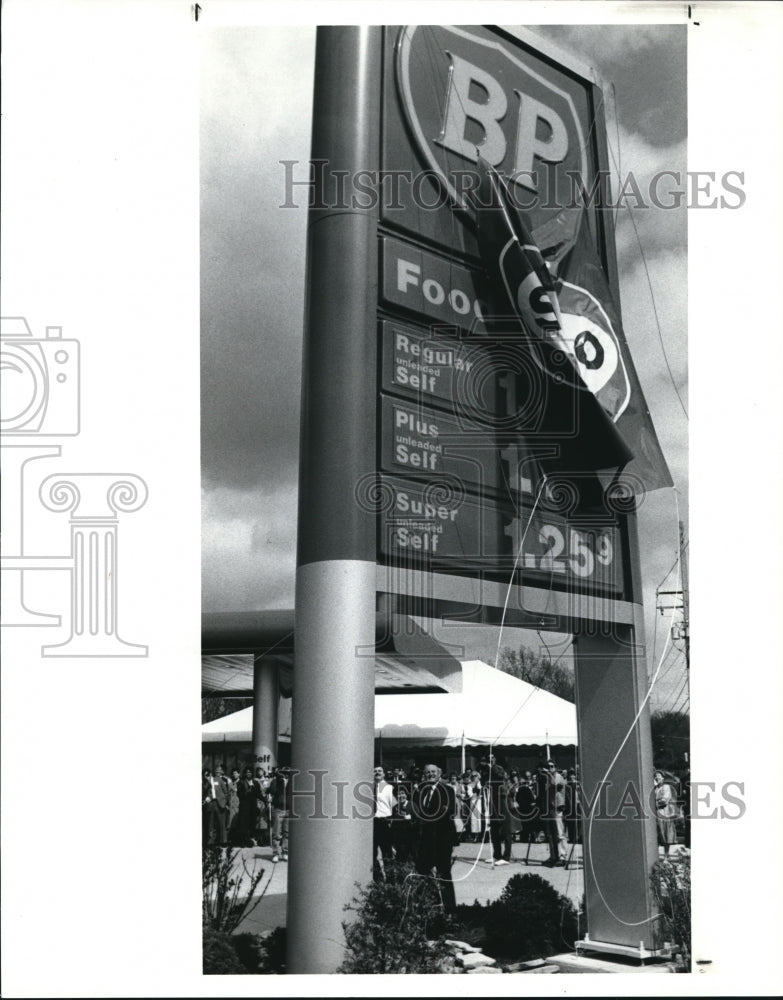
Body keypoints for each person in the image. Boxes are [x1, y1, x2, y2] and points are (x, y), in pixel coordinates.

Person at [411, 764, 460, 912]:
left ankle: (450, 911)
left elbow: (447, 812)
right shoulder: (420, 791)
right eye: (427, 773)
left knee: (444, 875)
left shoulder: (448, 790)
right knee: (423, 874)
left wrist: (426, 819)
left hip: (442, 841)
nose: (430, 775)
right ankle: (429, 908)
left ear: (439, 774)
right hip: (425, 842)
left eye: (433, 772)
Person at [480, 754, 509, 865]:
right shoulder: (486, 769)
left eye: (492, 757)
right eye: (488, 758)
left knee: (504, 828)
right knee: (494, 828)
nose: (490, 759)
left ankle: (506, 857)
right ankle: (497, 855)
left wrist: (491, 768)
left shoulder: (498, 768)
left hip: (501, 798)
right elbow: (483, 781)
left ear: (495, 759)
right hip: (491, 799)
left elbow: (500, 777)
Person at [539, 759, 567, 866]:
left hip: (558, 807)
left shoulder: (558, 776)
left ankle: (563, 856)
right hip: (551, 807)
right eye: (548, 766)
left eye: (551, 766)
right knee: (551, 833)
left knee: (560, 833)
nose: (550, 768)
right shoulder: (548, 777)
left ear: (555, 767)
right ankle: (554, 856)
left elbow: (555, 784)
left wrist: (548, 774)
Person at [373, 764, 396, 878]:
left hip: (384, 822)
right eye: (375, 771)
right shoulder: (368, 788)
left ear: (384, 774)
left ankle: (391, 880)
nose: (377, 773)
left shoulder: (389, 787)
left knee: (387, 853)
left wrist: (392, 820)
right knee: (372, 853)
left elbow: (395, 806)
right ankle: (376, 879)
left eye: (379, 771)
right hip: (372, 824)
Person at [267, 766, 293, 862]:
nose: (285, 775)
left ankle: (285, 852)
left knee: (287, 832)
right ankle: (275, 853)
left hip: (289, 809)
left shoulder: (292, 782)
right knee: (277, 833)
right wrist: (277, 779)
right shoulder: (276, 781)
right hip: (279, 809)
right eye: (283, 773)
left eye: (287, 773)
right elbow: (272, 790)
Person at [654, 770, 678, 857]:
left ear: (663, 778)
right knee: (658, 834)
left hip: (664, 812)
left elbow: (665, 799)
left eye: (659, 776)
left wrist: (655, 803)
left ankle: (666, 855)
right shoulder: (655, 788)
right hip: (656, 813)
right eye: (656, 776)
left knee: (666, 834)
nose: (657, 777)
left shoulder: (666, 787)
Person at [236, 766, 261, 847]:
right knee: (243, 825)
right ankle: (242, 841)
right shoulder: (241, 782)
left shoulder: (255, 783)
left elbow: (259, 794)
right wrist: (247, 791)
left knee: (251, 824)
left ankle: (249, 841)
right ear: (245, 773)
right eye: (247, 772)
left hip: (253, 806)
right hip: (244, 807)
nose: (249, 774)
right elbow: (239, 794)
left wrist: (265, 800)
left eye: (250, 772)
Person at [390, 784, 415, 863]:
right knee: (400, 862)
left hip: (411, 840)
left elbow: (420, 821)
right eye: (398, 794)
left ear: (406, 794)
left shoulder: (412, 805)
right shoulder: (395, 808)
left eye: (402, 793)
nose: (400, 796)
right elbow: (393, 825)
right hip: (398, 841)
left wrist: (411, 818)